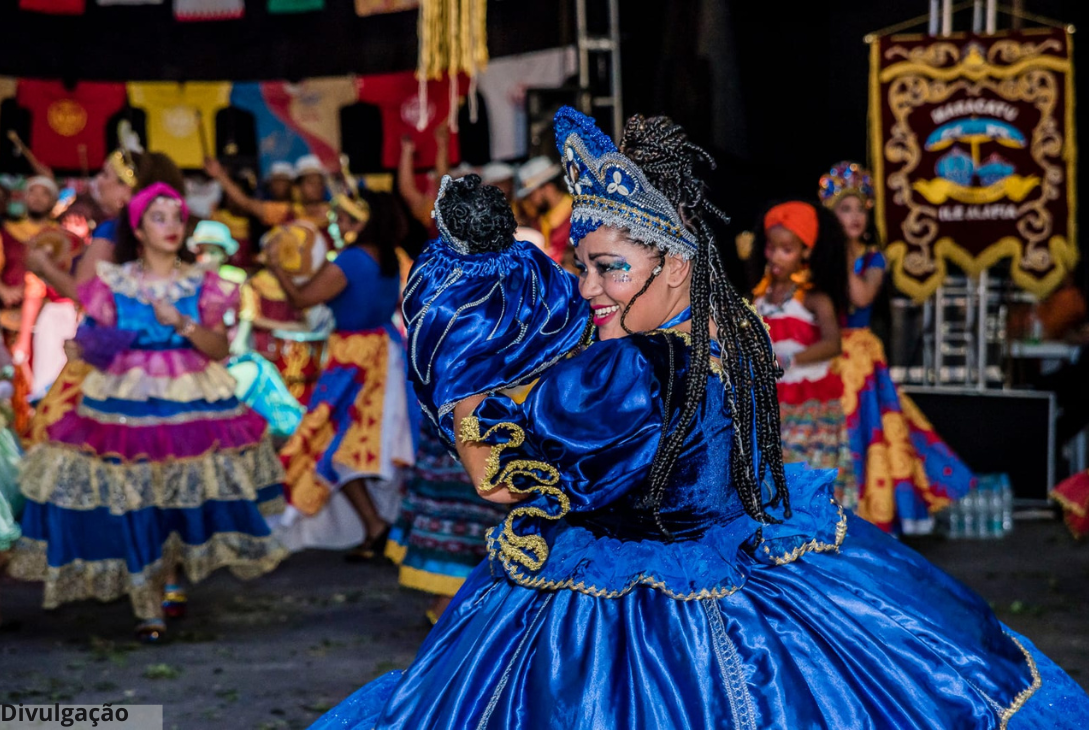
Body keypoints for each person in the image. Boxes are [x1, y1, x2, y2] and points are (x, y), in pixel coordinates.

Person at [309, 107, 1089, 729]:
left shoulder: (629, 366)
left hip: (626, 620)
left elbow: (494, 478)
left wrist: (464, 342)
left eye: (609, 268)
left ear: (673, 264)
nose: (587, 289)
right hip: (752, 567)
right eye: (582, 267)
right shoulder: (727, 333)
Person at [9, 183, 286, 643]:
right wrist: (84, 347)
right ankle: (147, 603)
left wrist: (183, 323)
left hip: (190, 395)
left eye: (176, 217)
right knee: (135, 494)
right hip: (124, 398)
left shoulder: (203, 281)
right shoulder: (113, 284)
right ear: (137, 230)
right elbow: (98, 342)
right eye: (159, 218)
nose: (171, 226)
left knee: (177, 491)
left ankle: (170, 570)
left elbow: (218, 349)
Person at [820, 161, 976, 534]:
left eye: (860, 208)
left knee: (870, 432)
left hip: (858, 357)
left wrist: (843, 249)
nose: (855, 216)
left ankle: (873, 516)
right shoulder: (817, 260)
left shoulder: (873, 258)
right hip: (823, 355)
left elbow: (860, 296)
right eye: (845, 209)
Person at [271, 190, 414, 559]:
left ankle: (376, 526)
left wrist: (277, 268)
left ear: (358, 221)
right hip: (387, 351)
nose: (338, 224)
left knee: (333, 445)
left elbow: (303, 299)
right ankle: (380, 527)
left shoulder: (352, 260)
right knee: (369, 448)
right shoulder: (389, 256)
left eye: (344, 218)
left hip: (356, 360)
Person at [752, 200, 858, 508]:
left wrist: (788, 360)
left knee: (805, 472)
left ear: (806, 252)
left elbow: (833, 344)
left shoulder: (815, 300)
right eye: (771, 248)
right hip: (772, 399)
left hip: (811, 404)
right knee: (773, 474)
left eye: (786, 249)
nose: (775, 257)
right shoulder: (757, 299)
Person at [206, 154, 332, 235]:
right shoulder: (287, 212)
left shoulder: (334, 213)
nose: (317, 187)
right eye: (310, 183)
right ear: (298, 187)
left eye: (320, 183)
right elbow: (246, 203)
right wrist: (219, 175)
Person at [516, 155, 571, 266]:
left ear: (547, 188)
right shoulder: (539, 221)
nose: (530, 200)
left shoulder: (577, 217)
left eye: (532, 194)